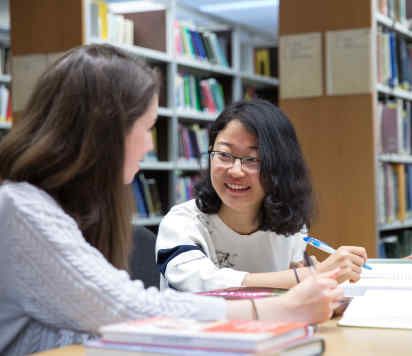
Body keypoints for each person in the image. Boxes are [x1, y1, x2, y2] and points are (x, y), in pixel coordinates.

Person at [0, 44, 343, 356]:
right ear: (107, 132)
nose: (150, 146)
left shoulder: (73, 209)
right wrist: (276, 307)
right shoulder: (21, 210)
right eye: (146, 128)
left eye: (252, 160)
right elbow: (123, 308)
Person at [156, 99, 368, 292]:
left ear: (279, 167)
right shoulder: (181, 223)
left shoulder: (292, 228)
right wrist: (305, 277)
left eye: (253, 159)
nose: (236, 171)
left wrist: (317, 285)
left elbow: (292, 297)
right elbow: (202, 284)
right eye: (224, 155)